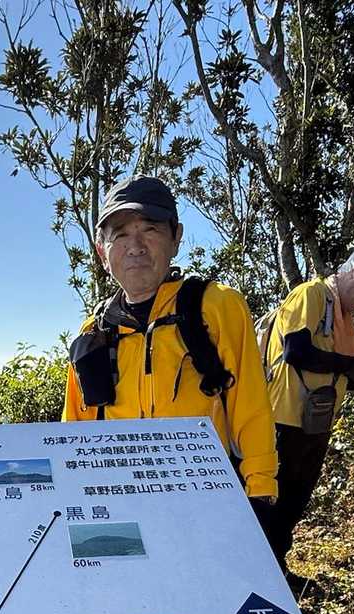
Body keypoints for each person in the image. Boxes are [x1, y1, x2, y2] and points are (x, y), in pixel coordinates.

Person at [62, 176, 279, 534]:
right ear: (102, 252)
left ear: (176, 237)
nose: (135, 247)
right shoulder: (94, 331)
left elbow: (250, 404)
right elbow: (76, 429)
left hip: (208, 499)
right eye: (120, 235)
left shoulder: (215, 306)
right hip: (121, 501)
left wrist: (261, 490)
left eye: (150, 229)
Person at [257, 241, 354, 575]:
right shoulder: (311, 294)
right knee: (269, 507)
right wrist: (349, 364)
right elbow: (296, 351)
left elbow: (339, 376)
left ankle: (278, 572)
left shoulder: (346, 319)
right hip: (281, 423)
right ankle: (259, 576)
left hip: (315, 426)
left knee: (293, 505)